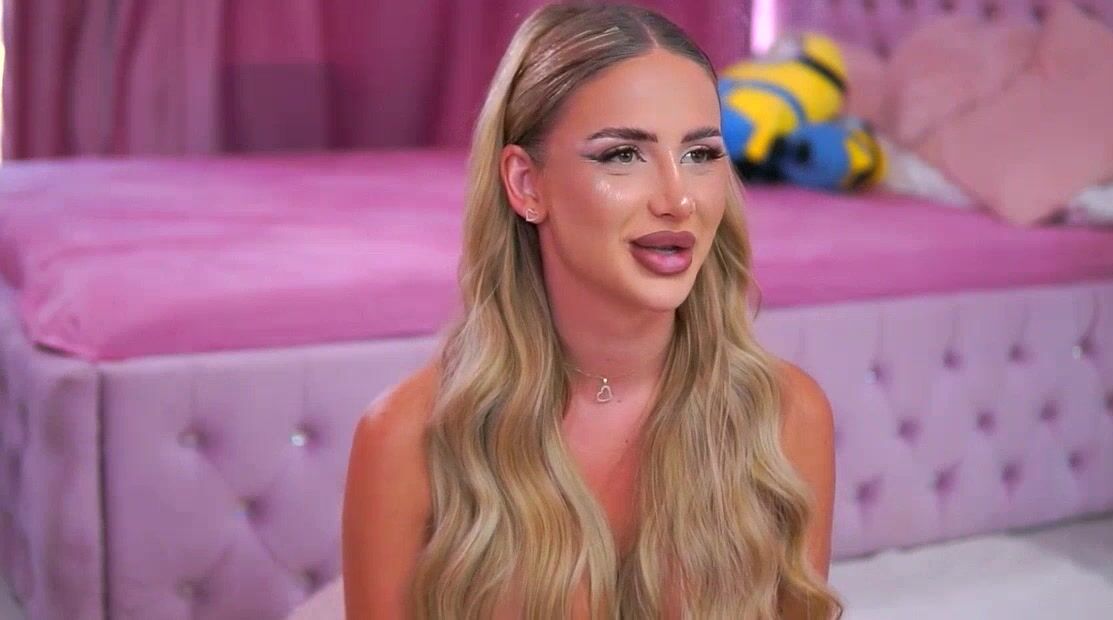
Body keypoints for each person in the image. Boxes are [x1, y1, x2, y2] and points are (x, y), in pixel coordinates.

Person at [342, 4, 840, 618]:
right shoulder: (407, 440)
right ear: (526, 184)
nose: (678, 199)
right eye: (623, 155)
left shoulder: (785, 420)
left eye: (700, 154)